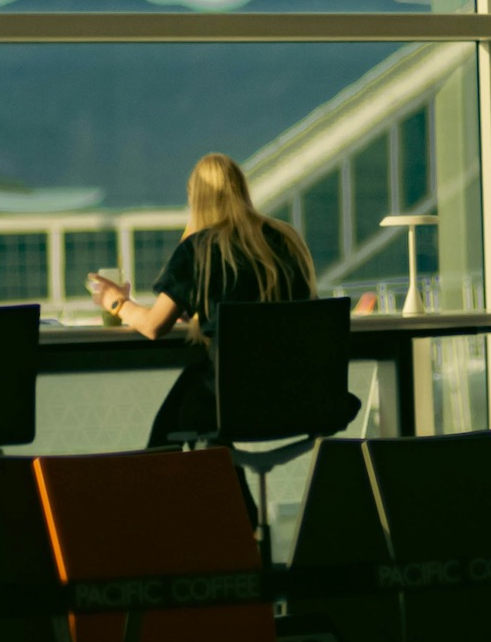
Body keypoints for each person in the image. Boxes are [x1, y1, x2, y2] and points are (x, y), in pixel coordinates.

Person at [88, 152, 359, 448]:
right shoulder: (287, 239)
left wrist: (117, 302)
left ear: (197, 199)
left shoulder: (199, 249)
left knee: (182, 416)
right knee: (206, 399)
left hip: (233, 404)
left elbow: (154, 325)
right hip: (306, 399)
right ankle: (237, 495)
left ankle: (154, 488)